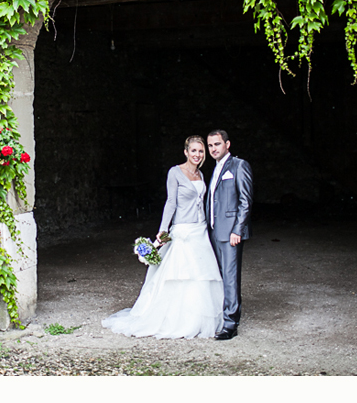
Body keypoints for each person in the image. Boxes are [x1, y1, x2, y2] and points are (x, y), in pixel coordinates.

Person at [102, 136, 224, 338]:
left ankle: (200, 319)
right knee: (179, 275)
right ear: (186, 152)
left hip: (200, 230)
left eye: (201, 151)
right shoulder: (175, 172)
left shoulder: (201, 174)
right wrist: (163, 230)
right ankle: (177, 319)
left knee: (201, 275)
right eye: (193, 150)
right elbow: (171, 203)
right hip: (183, 230)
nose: (197, 155)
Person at [206, 129, 253, 340]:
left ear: (227, 144)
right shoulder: (215, 169)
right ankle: (221, 315)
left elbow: (245, 201)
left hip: (230, 232)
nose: (213, 149)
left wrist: (238, 230)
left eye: (217, 144)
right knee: (220, 276)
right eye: (210, 145)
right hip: (215, 231)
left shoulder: (239, 165)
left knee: (230, 277)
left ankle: (230, 324)